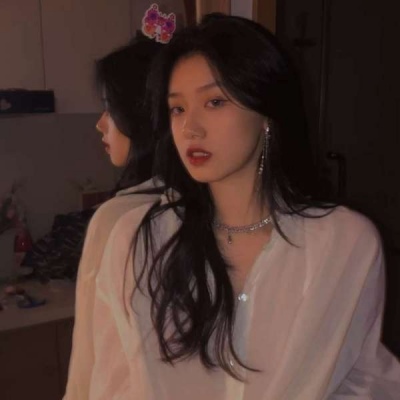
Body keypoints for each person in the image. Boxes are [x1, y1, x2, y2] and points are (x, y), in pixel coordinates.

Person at [87, 14, 400, 399]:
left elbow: (360, 379)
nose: (190, 128)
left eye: (214, 102)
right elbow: (111, 383)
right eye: (177, 109)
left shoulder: (343, 242)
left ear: (266, 112)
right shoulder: (138, 241)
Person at [63, 36, 163, 400]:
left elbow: (89, 359)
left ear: (141, 114)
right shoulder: (205, 202)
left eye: (110, 108)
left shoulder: (117, 217)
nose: (100, 124)